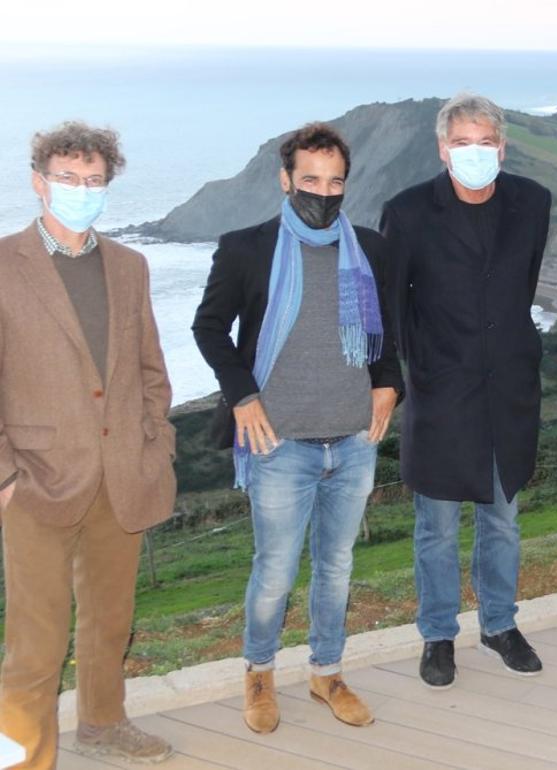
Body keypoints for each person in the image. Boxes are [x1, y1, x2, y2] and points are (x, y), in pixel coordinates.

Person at [192, 122, 403, 733]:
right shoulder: (245, 248)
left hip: (354, 441)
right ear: (286, 179)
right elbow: (210, 328)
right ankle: (258, 675)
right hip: (278, 443)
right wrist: (242, 397)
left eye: (335, 181)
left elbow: (383, 333)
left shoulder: (370, 250)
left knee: (337, 568)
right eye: (310, 179)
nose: (323, 191)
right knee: (276, 571)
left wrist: (390, 382)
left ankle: (326, 673)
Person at [0, 122, 177, 767]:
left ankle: (103, 724)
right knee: (36, 643)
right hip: (36, 484)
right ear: (39, 183)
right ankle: (24, 757)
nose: (81, 190)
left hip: (122, 474)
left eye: (94, 181)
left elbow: (151, 368)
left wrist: (156, 444)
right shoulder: (3, 264)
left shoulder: (129, 265)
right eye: (68, 179)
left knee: (109, 622)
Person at [382, 94, 552, 689]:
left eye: (485, 142)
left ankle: (500, 625)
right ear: (441, 148)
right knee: (437, 527)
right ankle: (437, 635)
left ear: (502, 148)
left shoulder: (533, 202)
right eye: (462, 142)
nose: (474, 152)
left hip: (507, 389)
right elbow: (392, 304)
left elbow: (519, 286)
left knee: (503, 521)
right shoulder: (406, 211)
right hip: (441, 393)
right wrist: (419, 370)